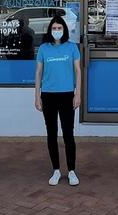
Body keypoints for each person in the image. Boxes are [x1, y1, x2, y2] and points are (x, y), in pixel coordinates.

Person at [35, 15, 81, 186]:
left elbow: (78, 71)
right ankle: (56, 169)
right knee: (52, 133)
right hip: (48, 95)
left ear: (64, 30)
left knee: (68, 133)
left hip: (67, 94)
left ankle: (71, 171)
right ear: (50, 30)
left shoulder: (72, 48)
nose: (56, 31)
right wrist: (37, 96)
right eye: (54, 28)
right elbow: (38, 73)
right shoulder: (44, 49)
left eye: (59, 28)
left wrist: (78, 94)